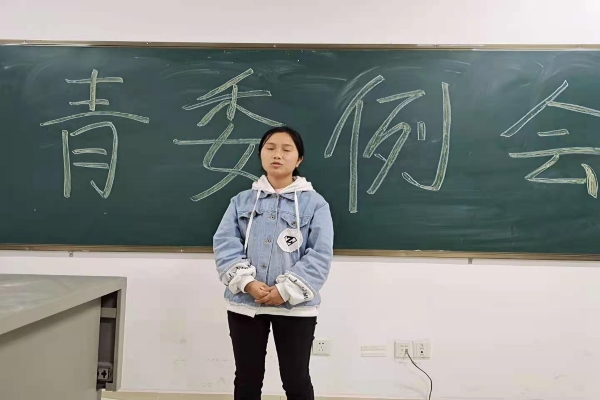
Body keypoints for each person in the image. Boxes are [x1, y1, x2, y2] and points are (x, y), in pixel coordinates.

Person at [213, 126, 334, 400]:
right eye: (270, 148)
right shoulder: (241, 201)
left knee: (296, 380)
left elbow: (320, 253)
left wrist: (285, 290)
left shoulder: (316, 204)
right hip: (246, 303)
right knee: (247, 378)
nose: (277, 154)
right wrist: (247, 283)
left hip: (296, 307)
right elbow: (225, 243)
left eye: (286, 149)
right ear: (261, 154)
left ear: (299, 159)